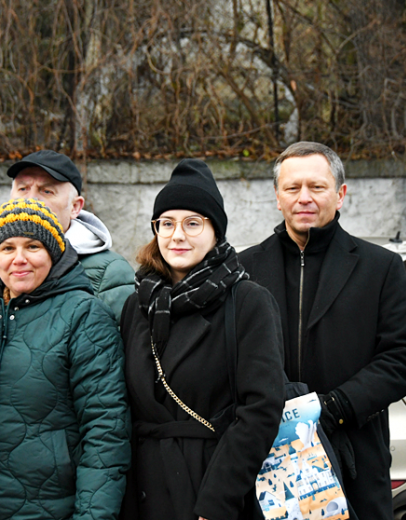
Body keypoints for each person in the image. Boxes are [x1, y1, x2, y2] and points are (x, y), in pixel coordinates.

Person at [238, 142, 406, 520]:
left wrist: (335, 408)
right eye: (292, 188)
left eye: (317, 187)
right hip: (266, 459)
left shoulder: (380, 268)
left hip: (353, 456)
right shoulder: (245, 270)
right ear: (277, 197)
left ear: (340, 195)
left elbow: (405, 358)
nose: (304, 198)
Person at [120, 159, 285, 520]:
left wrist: (217, 503)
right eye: (166, 223)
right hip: (144, 489)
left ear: (216, 232)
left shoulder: (247, 301)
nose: (177, 235)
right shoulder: (137, 304)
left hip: (212, 488)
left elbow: (261, 411)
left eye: (193, 223)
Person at [0, 198, 130, 520]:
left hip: (52, 508)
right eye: (7, 248)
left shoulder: (84, 315)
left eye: (32, 246)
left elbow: (105, 431)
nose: (19, 259)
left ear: (53, 251)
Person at [0, 150, 134, 326]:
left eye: (47, 191)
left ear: (75, 207)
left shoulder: (110, 275)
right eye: (23, 189)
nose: (31, 199)